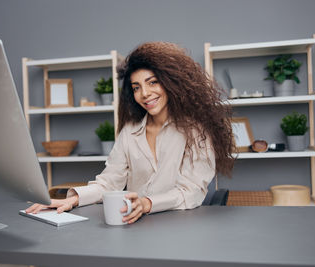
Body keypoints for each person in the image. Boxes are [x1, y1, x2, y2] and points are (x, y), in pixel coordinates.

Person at [26, 42, 234, 224]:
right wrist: (73, 199)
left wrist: (147, 203)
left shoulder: (196, 132)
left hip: (182, 227)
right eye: (136, 87)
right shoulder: (129, 133)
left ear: (171, 83)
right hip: (136, 226)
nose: (144, 94)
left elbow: (192, 191)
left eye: (152, 82)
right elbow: (109, 182)